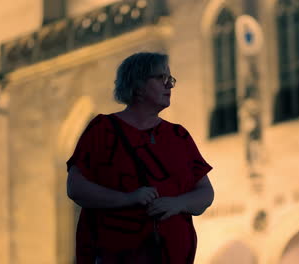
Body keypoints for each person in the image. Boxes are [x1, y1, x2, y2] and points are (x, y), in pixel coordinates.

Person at [66, 52, 214, 263]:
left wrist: (177, 204)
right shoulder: (103, 129)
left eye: (170, 79)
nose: (169, 85)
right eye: (161, 78)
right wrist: (128, 199)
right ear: (138, 85)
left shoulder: (178, 135)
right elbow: (76, 187)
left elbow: (205, 193)